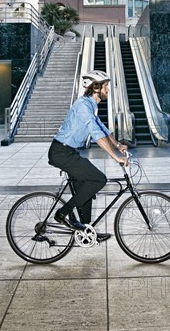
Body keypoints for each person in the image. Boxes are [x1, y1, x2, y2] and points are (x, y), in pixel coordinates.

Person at [48, 70, 128, 242]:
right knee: (98, 179)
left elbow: (102, 128)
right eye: (106, 86)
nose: (108, 89)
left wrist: (118, 145)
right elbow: (96, 133)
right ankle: (62, 213)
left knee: (86, 187)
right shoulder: (83, 106)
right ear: (96, 88)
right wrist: (116, 157)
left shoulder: (91, 105)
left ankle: (86, 231)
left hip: (68, 151)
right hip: (61, 152)